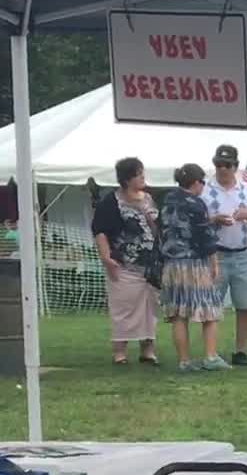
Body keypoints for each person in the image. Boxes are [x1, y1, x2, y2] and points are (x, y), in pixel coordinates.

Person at [158, 163, 228, 373]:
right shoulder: (196, 204)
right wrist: (214, 262)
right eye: (203, 182)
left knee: (179, 314)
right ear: (196, 182)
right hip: (193, 263)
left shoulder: (168, 201)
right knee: (209, 309)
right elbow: (204, 237)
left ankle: (184, 361)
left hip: (171, 263)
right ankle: (210, 356)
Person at [91, 157, 159, 367]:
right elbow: (100, 230)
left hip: (149, 265)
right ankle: (119, 352)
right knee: (123, 307)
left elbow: (158, 229)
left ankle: (147, 350)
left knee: (149, 308)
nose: (143, 178)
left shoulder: (148, 199)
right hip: (123, 264)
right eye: (139, 175)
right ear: (128, 178)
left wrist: (150, 219)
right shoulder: (111, 202)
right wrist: (106, 257)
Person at [203, 144, 247, 366]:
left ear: (235, 167)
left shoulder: (246, 190)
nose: (222, 169)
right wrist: (214, 220)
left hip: (242, 253)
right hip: (216, 253)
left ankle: (241, 351)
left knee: (244, 305)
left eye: (227, 165)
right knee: (212, 305)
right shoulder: (206, 190)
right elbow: (197, 222)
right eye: (218, 164)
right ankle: (212, 351)